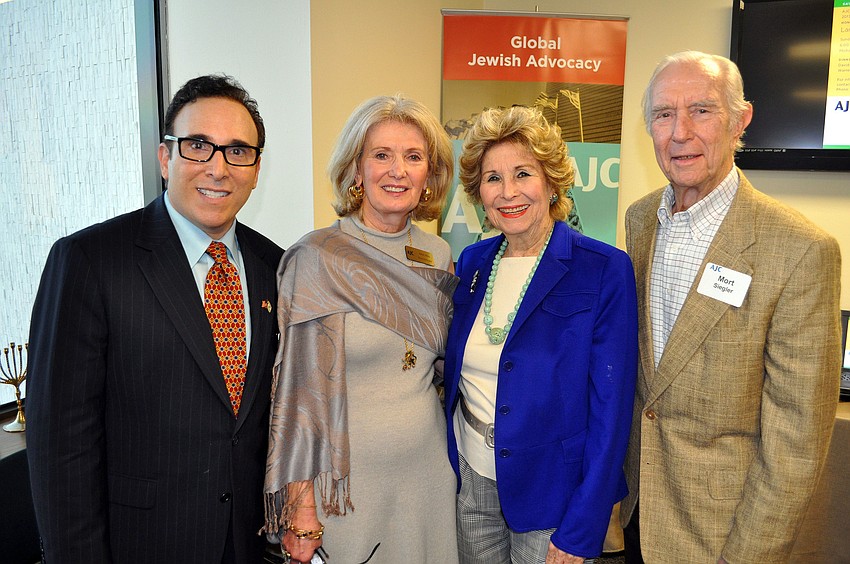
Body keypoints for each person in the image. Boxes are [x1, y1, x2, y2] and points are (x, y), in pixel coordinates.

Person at [26, 74, 284, 563]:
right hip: (139, 544)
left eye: (237, 151)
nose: (218, 167)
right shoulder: (90, 260)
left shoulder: (275, 265)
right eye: (198, 146)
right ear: (166, 158)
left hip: (248, 545)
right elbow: (60, 445)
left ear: (255, 169)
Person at [621, 50, 842, 564]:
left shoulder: (801, 250)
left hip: (725, 537)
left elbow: (797, 441)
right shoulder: (639, 222)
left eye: (701, 110)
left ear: (740, 119)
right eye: (663, 114)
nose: (680, 132)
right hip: (638, 516)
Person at [263, 95, 460, 564]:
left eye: (414, 157)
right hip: (346, 492)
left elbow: (437, 369)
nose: (398, 170)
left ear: (429, 175)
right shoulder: (317, 258)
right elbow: (297, 398)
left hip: (428, 478)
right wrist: (300, 508)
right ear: (355, 169)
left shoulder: (439, 254)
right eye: (381, 155)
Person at [443, 105, 639, 564]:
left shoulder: (604, 267)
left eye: (523, 174)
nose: (507, 192)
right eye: (492, 178)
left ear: (551, 182)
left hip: (554, 494)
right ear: (478, 192)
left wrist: (584, 523)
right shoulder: (473, 263)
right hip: (472, 483)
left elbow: (612, 411)